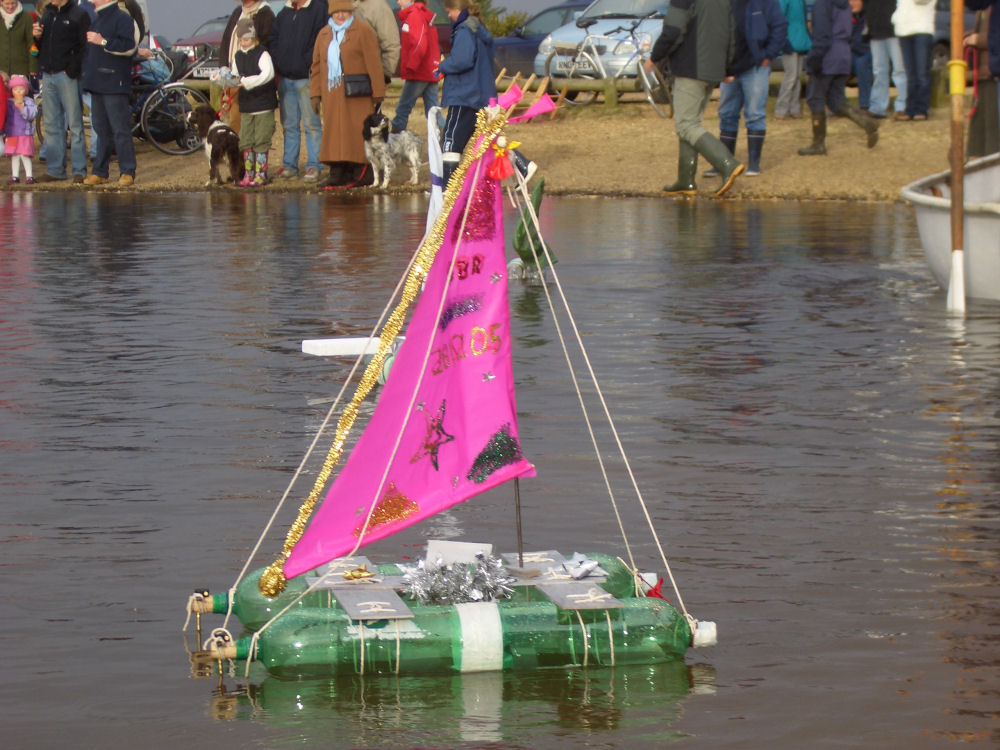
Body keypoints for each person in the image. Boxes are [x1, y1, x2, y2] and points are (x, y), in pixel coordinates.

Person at [645, 0, 743, 197]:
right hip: (713, 69)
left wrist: (655, 56)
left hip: (691, 68)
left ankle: (727, 164)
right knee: (691, 123)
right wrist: (728, 67)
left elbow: (673, 31)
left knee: (686, 125)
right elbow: (732, 34)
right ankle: (685, 180)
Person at [310, 0, 385, 188]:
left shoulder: (363, 30)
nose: (340, 15)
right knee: (334, 134)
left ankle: (361, 172)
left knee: (356, 133)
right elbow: (317, 66)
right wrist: (315, 94)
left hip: (357, 95)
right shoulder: (324, 34)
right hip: (332, 94)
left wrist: (378, 91)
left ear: (350, 11)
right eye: (337, 12)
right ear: (331, 13)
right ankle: (337, 172)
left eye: (344, 11)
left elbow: (374, 62)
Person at [710, 0, 787, 177]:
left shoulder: (765, 3)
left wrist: (768, 55)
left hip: (755, 66)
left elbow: (780, 25)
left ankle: (754, 164)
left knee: (755, 114)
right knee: (727, 114)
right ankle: (725, 163)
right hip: (729, 68)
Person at [797, 0, 879, 154]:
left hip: (828, 55)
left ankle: (818, 143)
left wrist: (813, 60)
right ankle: (867, 123)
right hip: (843, 54)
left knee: (815, 98)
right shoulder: (844, 4)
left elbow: (822, 35)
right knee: (836, 100)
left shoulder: (823, 4)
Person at [436, 0, 494, 187]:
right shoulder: (478, 28)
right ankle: (522, 166)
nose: (449, 15)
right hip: (481, 94)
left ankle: (448, 190)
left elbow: (462, 60)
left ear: (458, 9)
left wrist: (443, 65)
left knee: (450, 141)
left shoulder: (463, 30)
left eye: (450, 11)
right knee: (490, 139)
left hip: (464, 94)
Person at [269, 0, 328, 182]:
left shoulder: (319, 8)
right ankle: (289, 166)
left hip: (307, 78)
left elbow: (321, 38)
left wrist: (306, 62)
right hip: (286, 78)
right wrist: (279, 62)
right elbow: (274, 39)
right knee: (289, 126)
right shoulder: (284, 13)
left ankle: (314, 165)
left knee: (312, 125)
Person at [32, 0, 90, 183]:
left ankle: (79, 171)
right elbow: (39, 47)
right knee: (51, 125)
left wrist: (72, 69)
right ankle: (55, 170)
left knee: (74, 124)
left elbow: (85, 46)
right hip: (48, 75)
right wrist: (36, 38)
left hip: (67, 76)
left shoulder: (78, 15)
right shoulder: (47, 15)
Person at [80, 0, 137, 186]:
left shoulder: (122, 18)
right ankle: (100, 172)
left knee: (120, 129)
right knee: (100, 129)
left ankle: (127, 171)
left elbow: (129, 47)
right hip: (97, 83)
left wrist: (102, 41)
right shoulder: (97, 18)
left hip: (114, 82)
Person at [232, 17, 277, 186]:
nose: (244, 43)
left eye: (247, 39)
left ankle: (261, 174)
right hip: (246, 105)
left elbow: (268, 75)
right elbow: (235, 76)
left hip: (263, 105)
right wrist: (224, 78)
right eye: (241, 40)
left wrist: (247, 82)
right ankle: (248, 175)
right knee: (246, 140)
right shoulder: (237, 56)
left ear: (253, 37)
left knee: (261, 140)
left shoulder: (262, 53)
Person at [220, 0, 275, 134]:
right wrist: (223, 68)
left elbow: (265, 46)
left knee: (250, 128)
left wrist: (246, 77)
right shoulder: (238, 12)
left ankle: (247, 154)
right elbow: (226, 41)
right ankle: (238, 153)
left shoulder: (266, 14)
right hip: (233, 77)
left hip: (253, 84)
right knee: (233, 123)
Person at [391, 0, 442, 134]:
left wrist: (411, 65)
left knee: (403, 108)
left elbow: (420, 44)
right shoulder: (422, 13)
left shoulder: (414, 15)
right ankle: (446, 140)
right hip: (429, 69)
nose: (398, 1)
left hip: (419, 70)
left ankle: (395, 138)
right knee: (433, 110)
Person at [892, 0, 934, 120]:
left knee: (922, 73)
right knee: (910, 74)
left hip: (922, 29)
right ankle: (910, 109)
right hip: (903, 30)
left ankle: (921, 109)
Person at [965, 7, 998, 155]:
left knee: (993, 126)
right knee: (980, 124)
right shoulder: (983, 8)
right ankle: (981, 159)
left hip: (994, 75)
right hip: (983, 75)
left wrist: (978, 39)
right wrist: (967, 37)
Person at [866, 0, 907, 118]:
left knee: (899, 70)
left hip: (895, 30)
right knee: (879, 71)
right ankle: (878, 107)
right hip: (875, 29)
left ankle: (902, 106)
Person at [775, 0, 812, 119]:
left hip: (800, 40)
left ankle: (794, 108)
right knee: (791, 76)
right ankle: (781, 109)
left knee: (796, 76)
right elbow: (779, 19)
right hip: (789, 42)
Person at [352, 0, 400, 84]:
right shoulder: (335, 4)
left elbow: (391, 45)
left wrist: (384, 76)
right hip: (337, 82)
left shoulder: (378, 6)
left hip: (368, 79)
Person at [5, 72, 37, 183]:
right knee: (14, 156)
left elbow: (32, 115)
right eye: (15, 89)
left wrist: (22, 108)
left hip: (24, 133)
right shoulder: (9, 103)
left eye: (21, 89)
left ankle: (29, 176)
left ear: (26, 90)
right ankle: (15, 176)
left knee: (25, 154)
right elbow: (6, 117)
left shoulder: (29, 102)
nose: (18, 91)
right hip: (11, 133)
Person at [1, 0, 39, 78]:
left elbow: (32, 44)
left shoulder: (26, 17)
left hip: (21, 70)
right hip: (1, 70)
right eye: (7, 4)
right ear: (1, 2)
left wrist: (33, 66)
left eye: (13, 3)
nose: (10, 6)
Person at [850, 0, 872, 111]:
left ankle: (865, 104)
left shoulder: (869, 17)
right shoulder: (845, 17)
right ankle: (836, 105)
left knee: (862, 62)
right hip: (850, 54)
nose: (852, 3)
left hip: (867, 54)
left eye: (855, 0)